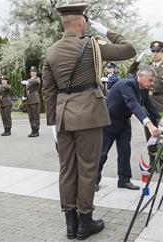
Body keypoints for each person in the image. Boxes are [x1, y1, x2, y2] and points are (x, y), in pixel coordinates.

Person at [42, 2, 136, 240]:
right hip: (88, 116)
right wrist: (106, 31)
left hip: (63, 117)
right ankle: (85, 221)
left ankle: (70, 224)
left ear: (64, 24)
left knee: (66, 170)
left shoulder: (51, 51)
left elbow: (48, 91)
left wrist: (53, 123)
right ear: (82, 23)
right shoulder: (93, 46)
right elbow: (129, 49)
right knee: (87, 169)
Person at [96, 66, 160, 191]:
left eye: (153, 81)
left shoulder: (143, 88)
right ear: (140, 76)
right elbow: (133, 104)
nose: (152, 84)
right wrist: (149, 124)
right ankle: (93, 181)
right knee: (102, 152)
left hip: (124, 120)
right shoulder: (127, 84)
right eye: (150, 80)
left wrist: (161, 120)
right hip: (109, 120)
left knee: (125, 151)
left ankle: (124, 180)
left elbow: (149, 105)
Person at [128, 41, 163, 167]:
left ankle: (161, 157)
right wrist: (138, 59)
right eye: (153, 51)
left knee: (161, 132)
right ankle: (152, 159)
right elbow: (131, 71)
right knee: (149, 132)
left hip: (162, 104)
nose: (155, 54)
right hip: (147, 104)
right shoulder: (147, 67)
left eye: (158, 51)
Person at [21, 66, 41, 137]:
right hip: (28, 100)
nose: (31, 72)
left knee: (35, 116)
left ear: (35, 72)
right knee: (31, 116)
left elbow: (37, 82)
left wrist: (27, 82)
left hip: (35, 99)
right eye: (30, 71)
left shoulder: (37, 78)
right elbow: (25, 89)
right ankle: (32, 130)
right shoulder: (28, 80)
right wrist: (24, 96)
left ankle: (36, 131)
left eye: (33, 71)